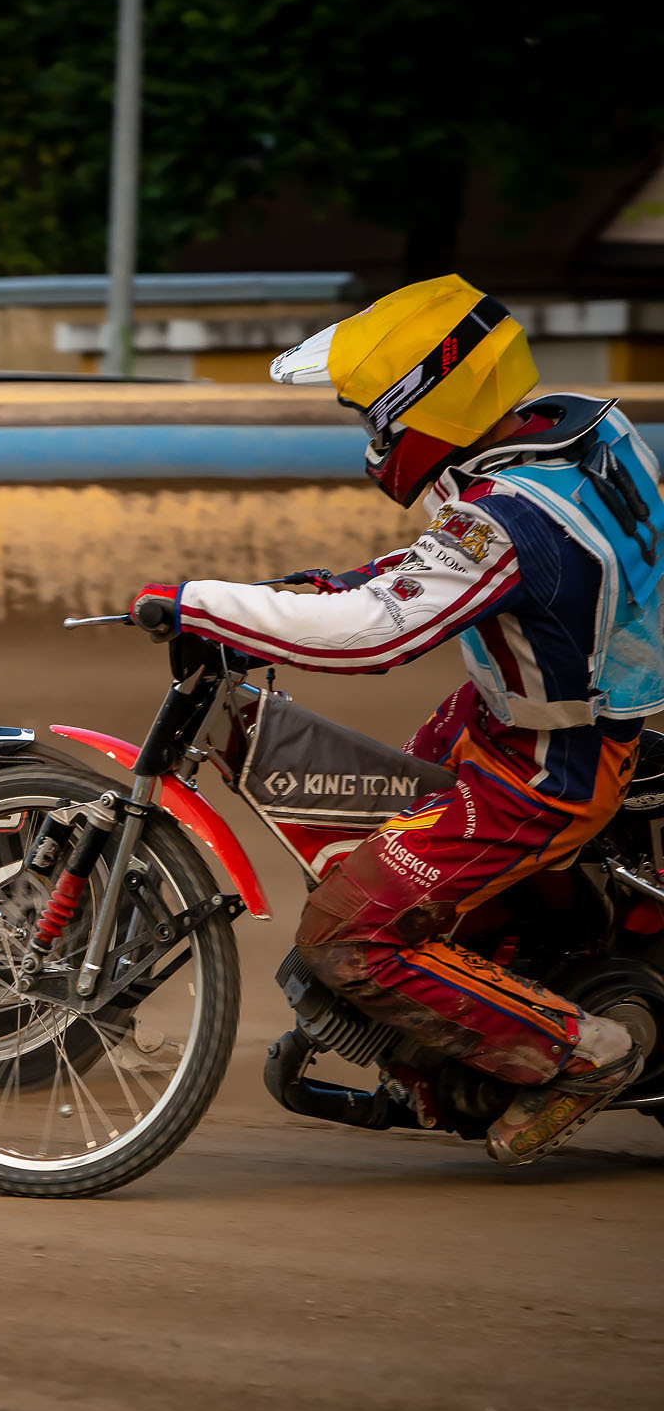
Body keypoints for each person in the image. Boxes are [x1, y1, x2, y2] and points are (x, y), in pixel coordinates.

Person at [124, 274, 664, 1164]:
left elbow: (376, 635)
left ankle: (583, 1052)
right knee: (368, 817)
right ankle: (497, 959)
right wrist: (336, 582)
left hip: (547, 765)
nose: (371, 433)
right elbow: (447, 559)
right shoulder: (571, 428)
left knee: (344, 930)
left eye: (375, 412)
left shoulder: (514, 522)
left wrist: (197, 603)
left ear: (428, 404)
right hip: (519, 706)